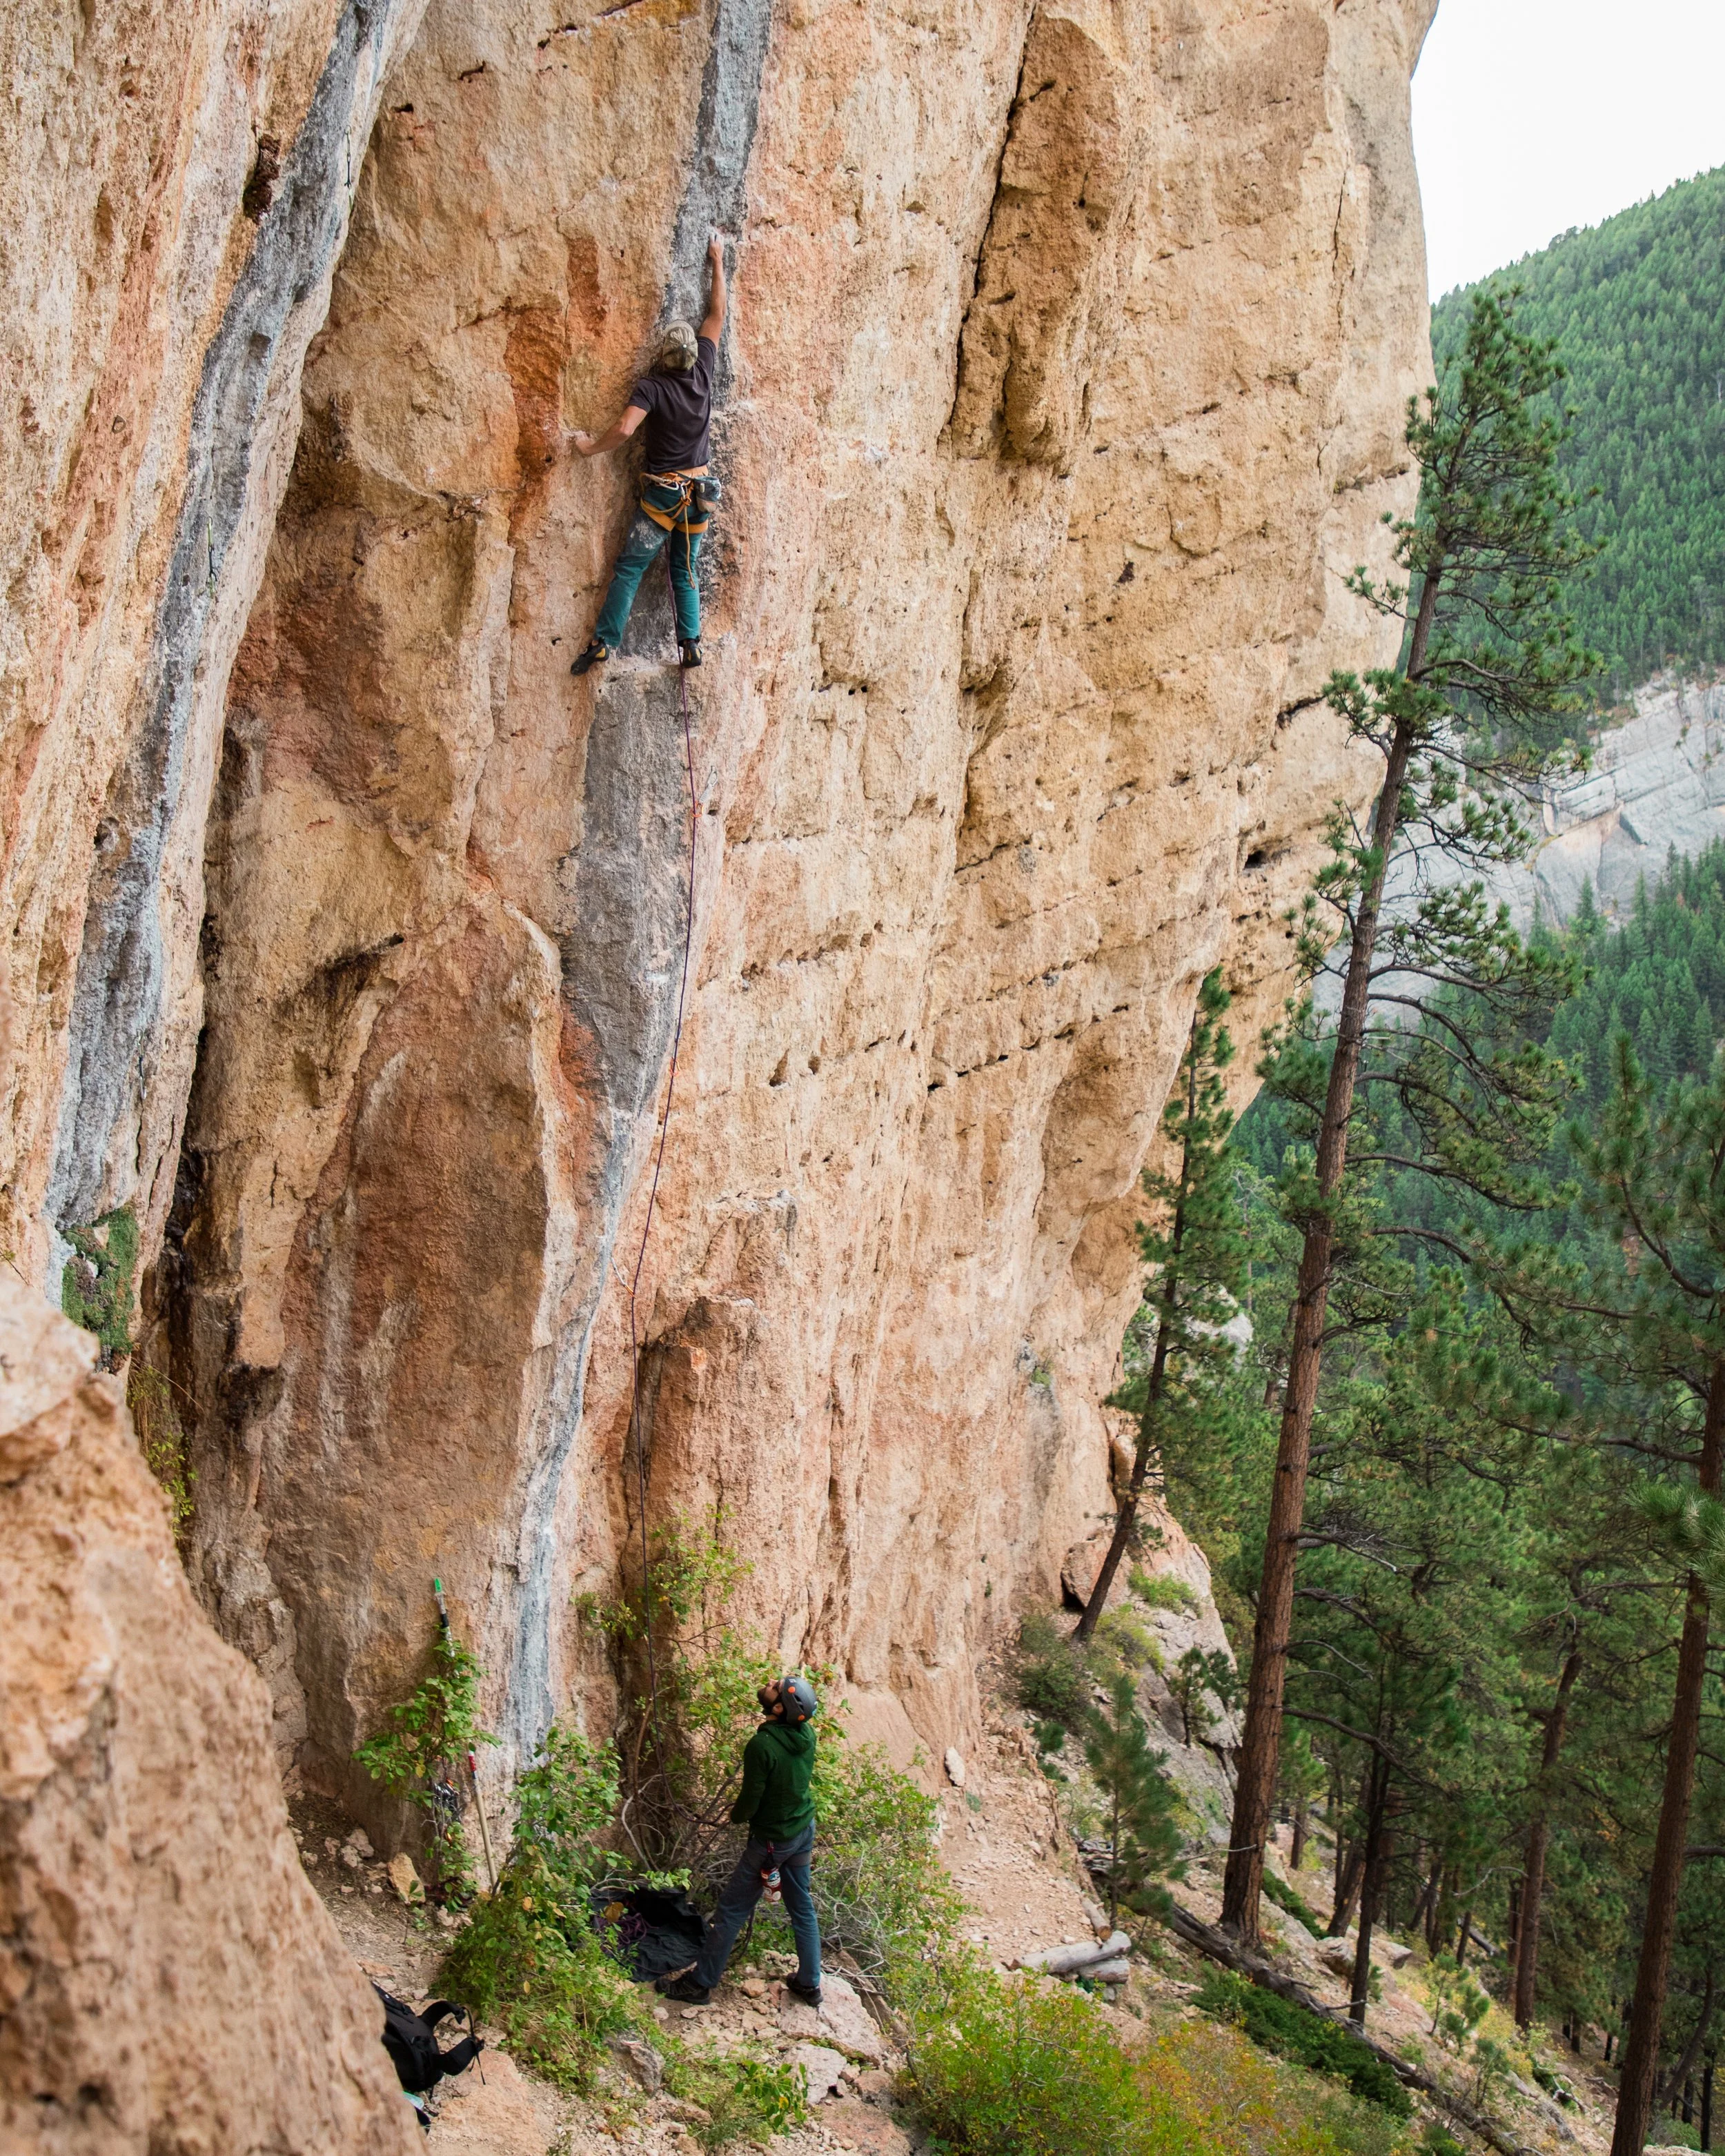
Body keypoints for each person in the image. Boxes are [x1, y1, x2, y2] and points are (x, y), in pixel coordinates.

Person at [569, 230, 727, 675]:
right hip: (700, 492)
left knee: (632, 566)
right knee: (686, 569)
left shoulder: (652, 387)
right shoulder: (705, 372)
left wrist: (587, 449)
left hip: (664, 495)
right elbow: (716, 314)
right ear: (694, 355)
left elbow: (623, 429)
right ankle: (691, 644)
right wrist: (716, 260)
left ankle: (603, 642)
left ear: (661, 357)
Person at [658, 1675, 822, 2006]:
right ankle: (809, 1984)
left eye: (777, 1686)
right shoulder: (806, 1734)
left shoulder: (762, 1745)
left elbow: (750, 1800)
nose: (771, 1683)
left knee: (732, 1909)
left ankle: (700, 1984)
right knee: (802, 1907)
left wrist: (734, 1817)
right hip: (803, 1830)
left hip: (772, 1841)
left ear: (778, 1708)